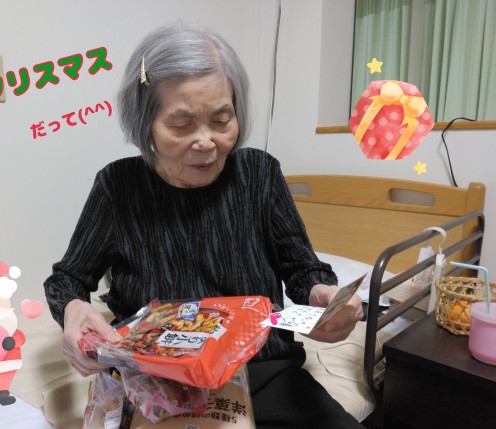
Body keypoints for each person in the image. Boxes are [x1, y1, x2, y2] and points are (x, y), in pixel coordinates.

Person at [44, 23, 365, 429]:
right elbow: (67, 280)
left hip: (262, 371)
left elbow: (303, 270)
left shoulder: (259, 175)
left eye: (221, 119)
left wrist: (322, 295)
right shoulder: (118, 187)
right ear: (145, 122)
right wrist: (73, 310)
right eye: (181, 124)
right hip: (155, 381)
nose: (206, 142)